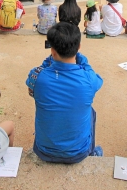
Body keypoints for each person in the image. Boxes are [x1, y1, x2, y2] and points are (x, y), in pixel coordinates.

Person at [26, 22, 104, 163]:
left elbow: (35, 81)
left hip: (43, 150)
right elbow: (97, 78)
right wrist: (83, 61)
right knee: (90, 111)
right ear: (78, 47)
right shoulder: (89, 79)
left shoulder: (36, 77)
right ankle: (91, 152)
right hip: (78, 153)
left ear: (52, 50)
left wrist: (49, 61)